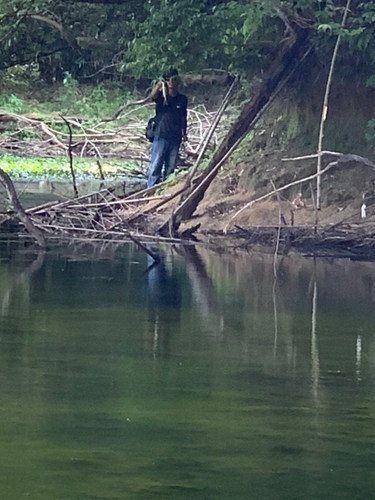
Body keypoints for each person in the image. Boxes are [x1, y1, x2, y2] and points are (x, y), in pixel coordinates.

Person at [147, 68, 188, 188]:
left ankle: (166, 189)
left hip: (175, 137)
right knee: (156, 166)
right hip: (161, 135)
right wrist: (160, 84)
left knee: (170, 167)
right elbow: (152, 96)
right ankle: (151, 189)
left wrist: (184, 133)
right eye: (170, 80)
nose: (172, 83)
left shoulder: (182, 99)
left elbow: (183, 117)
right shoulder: (162, 97)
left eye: (174, 80)